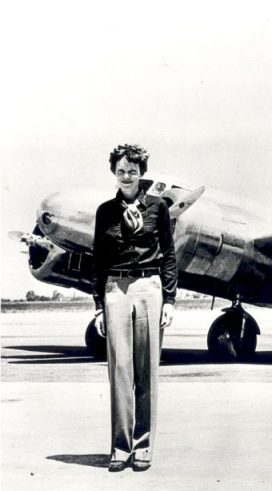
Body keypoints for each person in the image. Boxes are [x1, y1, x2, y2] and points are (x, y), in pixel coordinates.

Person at [92, 144, 177, 472]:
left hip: (149, 288)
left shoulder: (158, 208)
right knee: (120, 373)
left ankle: (143, 448)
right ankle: (120, 447)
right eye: (121, 171)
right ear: (113, 173)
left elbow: (168, 254)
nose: (126, 176)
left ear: (142, 173)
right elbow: (98, 260)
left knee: (146, 372)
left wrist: (169, 300)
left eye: (132, 170)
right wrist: (99, 305)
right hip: (116, 289)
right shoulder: (104, 212)